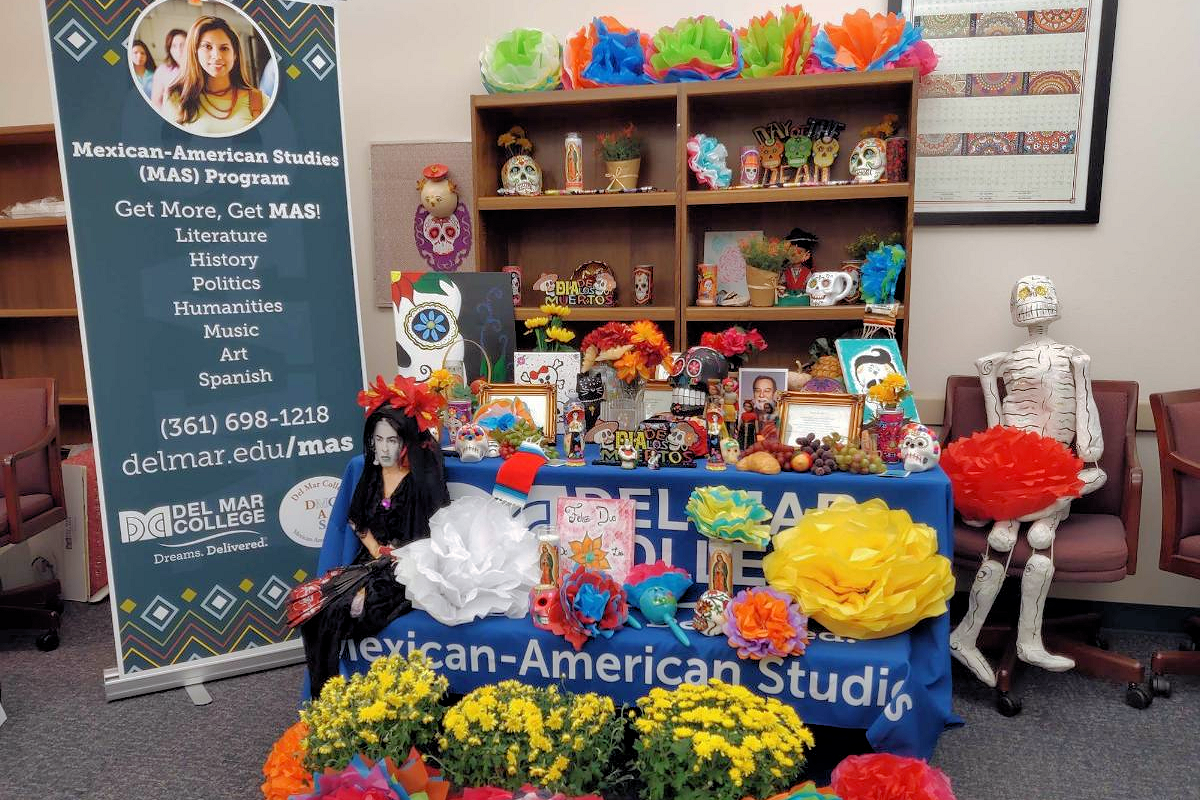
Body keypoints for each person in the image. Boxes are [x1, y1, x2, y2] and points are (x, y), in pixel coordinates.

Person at [299, 377, 449, 698]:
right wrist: (375, 553)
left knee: (349, 609)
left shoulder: (417, 485)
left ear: (405, 442)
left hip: (406, 569)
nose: (384, 448)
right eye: (379, 440)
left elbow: (425, 538)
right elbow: (358, 522)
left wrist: (388, 561)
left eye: (392, 440)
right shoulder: (370, 474)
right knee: (318, 609)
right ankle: (324, 694)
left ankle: (339, 693)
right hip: (371, 562)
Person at [163, 15, 266, 135]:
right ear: (194, 52)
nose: (217, 56)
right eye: (207, 47)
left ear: (235, 54)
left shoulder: (258, 99)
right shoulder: (176, 97)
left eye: (224, 48)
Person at [150, 28, 186, 108]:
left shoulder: (200, 69)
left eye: (182, 45)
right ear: (169, 50)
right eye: (174, 46)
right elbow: (156, 102)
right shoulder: (162, 71)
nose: (179, 50)